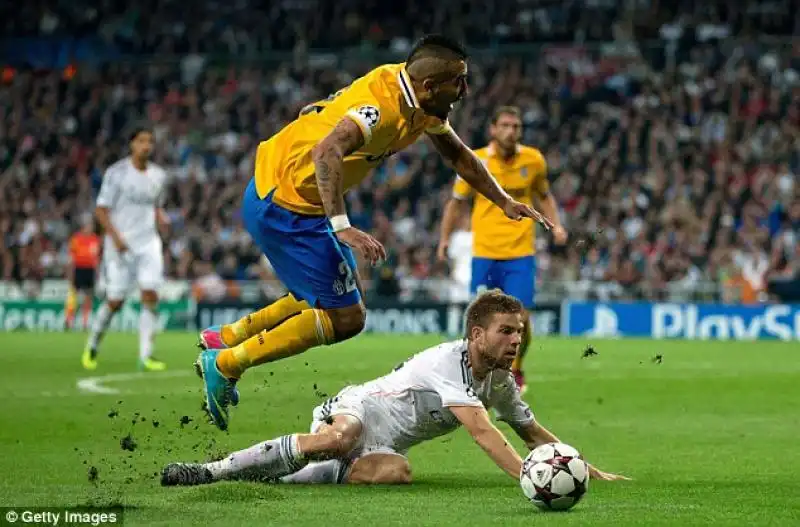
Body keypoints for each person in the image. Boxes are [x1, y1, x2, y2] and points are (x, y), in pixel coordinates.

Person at [195, 35, 552, 431]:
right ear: (430, 85)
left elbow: (457, 155)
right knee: (346, 317)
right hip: (286, 204)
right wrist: (342, 226)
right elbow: (327, 151)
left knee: (330, 296)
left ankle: (226, 336)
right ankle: (226, 364)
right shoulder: (381, 107)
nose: (465, 90)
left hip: (293, 195)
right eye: (459, 82)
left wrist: (503, 200)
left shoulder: (418, 101)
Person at [163, 291, 627, 486]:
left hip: (384, 441)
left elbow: (533, 433)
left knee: (398, 472)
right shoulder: (449, 361)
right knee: (337, 440)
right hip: (359, 406)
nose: (516, 339)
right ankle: (212, 471)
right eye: (506, 330)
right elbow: (484, 433)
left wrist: (581, 465)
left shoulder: (500, 382)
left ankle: (284, 475)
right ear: (476, 334)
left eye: (519, 332)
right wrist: (529, 477)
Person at [437, 106, 567, 394]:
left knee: (521, 318)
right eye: (505, 125)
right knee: (482, 318)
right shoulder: (475, 160)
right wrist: (444, 239)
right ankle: (474, 373)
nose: (511, 131)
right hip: (484, 251)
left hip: (520, 252)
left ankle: (516, 368)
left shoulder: (533, 160)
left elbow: (545, 196)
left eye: (516, 126)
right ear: (493, 129)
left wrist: (556, 226)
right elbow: (456, 202)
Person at [82, 124, 170, 372]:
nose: (146, 146)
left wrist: (161, 217)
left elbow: (156, 205)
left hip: (149, 243)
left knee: (150, 295)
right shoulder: (116, 173)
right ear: (132, 144)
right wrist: (115, 237)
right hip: (120, 244)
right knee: (115, 300)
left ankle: (145, 356)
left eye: (150, 142)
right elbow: (101, 209)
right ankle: (92, 345)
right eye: (142, 141)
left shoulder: (159, 176)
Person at [65, 219, 101, 331]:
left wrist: (97, 273)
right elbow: (71, 257)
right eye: (88, 225)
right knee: (73, 294)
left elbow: (96, 258)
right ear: (83, 227)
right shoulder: (76, 239)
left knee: (88, 296)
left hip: (90, 270)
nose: (90, 228)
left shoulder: (95, 239)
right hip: (78, 269)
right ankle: (68, 320)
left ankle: (85, 322)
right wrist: (70, 273)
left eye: (91, 226)